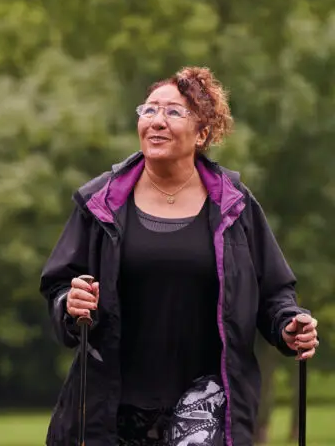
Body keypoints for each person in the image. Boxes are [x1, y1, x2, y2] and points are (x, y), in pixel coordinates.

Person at [39, 67, 320, 446]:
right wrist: (70, 303)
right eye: (149, 110)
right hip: (114, 407)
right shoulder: (100, 202)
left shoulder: (234, 205)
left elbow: (274, 292)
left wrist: (289, 325)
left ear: (202, 133)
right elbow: (59, 284)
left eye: (173, 112)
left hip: (206, 406)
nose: (157, 121)